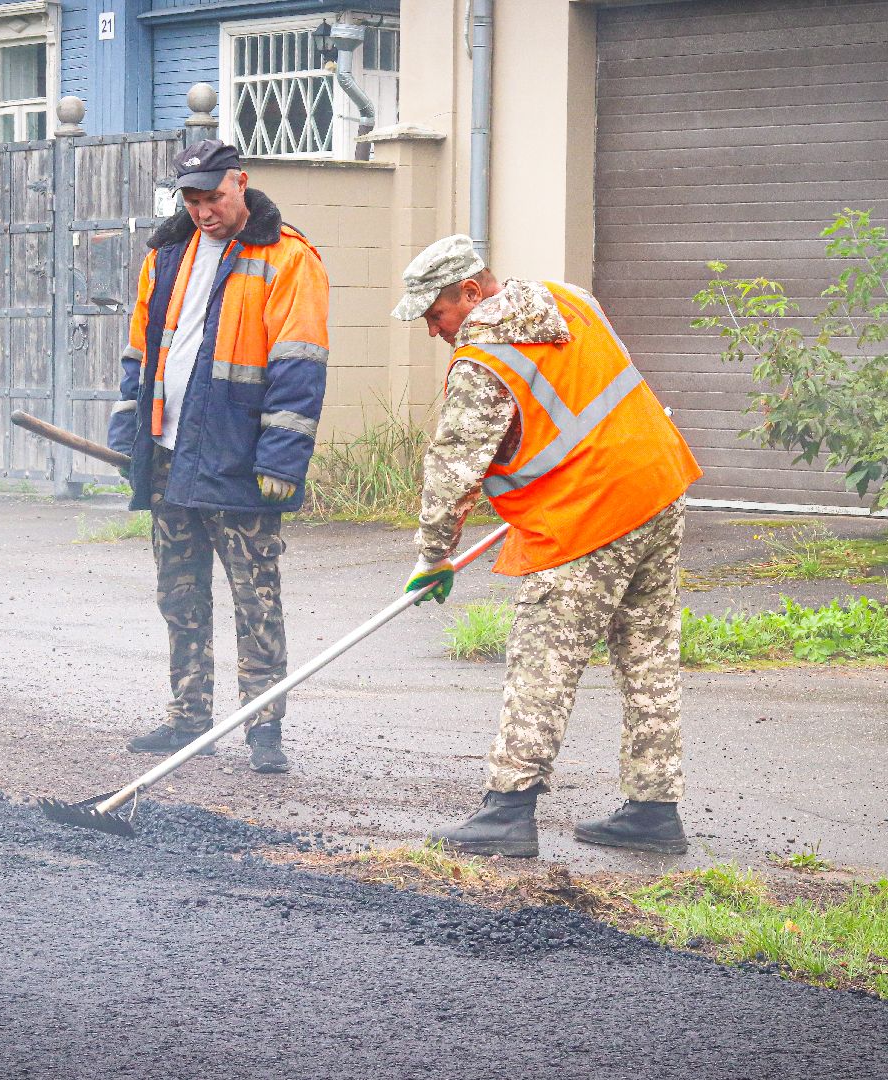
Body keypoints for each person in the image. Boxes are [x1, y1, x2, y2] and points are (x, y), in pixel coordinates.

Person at [392, 234, 703, 857]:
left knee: (543, 659)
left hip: (590, 515)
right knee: (648, 656)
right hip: (657, 489)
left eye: (436, 314)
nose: (433, 330)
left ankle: (508, 812)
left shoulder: (485, 358)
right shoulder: (572, 300)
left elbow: (454, 467)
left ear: (471, 293)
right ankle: (653, 809)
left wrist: (433, 556)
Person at [107, 139, 329, 774]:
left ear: (241, 183)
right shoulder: (166, 257)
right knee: (180, 596)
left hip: (239, 460)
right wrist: (131, 440)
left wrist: (283, 461)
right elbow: (139, 357)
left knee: (256, 599)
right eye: (193, 199)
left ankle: (263, 730)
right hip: (171, 456)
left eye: (213, 196)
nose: (203, 210)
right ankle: (187, 717)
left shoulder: (289, 258)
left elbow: (300, 368)